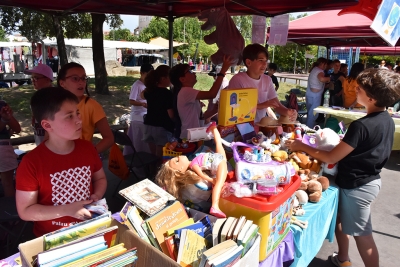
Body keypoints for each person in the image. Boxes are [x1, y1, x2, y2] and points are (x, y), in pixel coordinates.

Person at [286, 69, 400, 267]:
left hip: (358, 187)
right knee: (340, 218)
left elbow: (331, 156)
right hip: (366, 182)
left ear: (371, 98)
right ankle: (342, 258)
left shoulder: (361, 126)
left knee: (362, 235)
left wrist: (301, 146)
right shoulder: (387, 120)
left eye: (360, 89)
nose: (355, 89)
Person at [15, 87, 107, 237]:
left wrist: (96, 196)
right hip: (53, 237)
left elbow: (100, 178)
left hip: (89, 229)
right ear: (47, 125)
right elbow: (25, 211)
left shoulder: (88, 149)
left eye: (77, 112)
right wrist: (68, 210)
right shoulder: (31, 163)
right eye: (69, 116)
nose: (79, 120)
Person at [156, 123, 227, 218]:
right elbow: (201, 174)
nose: (179, 156)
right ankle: (215, 205)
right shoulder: (193, 166)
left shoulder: (193, 160)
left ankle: (213, 129)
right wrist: (211, 180)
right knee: (219, 183)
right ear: (181, 169)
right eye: (177, 161)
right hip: (218, 163)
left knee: (219, 144)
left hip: (217, 159)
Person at [227, 44, 297, 129]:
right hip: (240, 128)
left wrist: (289, 112)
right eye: (260, 60)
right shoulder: (238, 80)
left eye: (266, 61)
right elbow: (233, 108)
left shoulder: (267, 80)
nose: (265, 64)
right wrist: (262, 105)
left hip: (260, 126)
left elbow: (277, 105)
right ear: (249, 62)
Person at [169, 55, 233, 140]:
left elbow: (202, 118)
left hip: (195, 136)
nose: (194, 73)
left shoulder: (190, 93)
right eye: (190, 72)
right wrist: (222, 72)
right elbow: (212, 94)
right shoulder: (185, 91)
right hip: (188, 138)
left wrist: (214, 110)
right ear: (182, 79)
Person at [57, 62, 113, 154]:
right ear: (62, 83)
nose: (81, 82)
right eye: (75, 78)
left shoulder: (92, 106)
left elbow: (109, 138)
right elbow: (47, 138)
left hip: (82, 162)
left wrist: (89, 154)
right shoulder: (53, 105)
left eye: (83, 78)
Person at [141, 65, 173, 158]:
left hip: (148, 125)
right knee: (160, 157)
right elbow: (171, 114)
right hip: (161, 126)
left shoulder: (149, 91)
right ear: (163, 79)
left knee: (153, 156)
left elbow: (142, 95)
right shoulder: (167, 93)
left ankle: (151, 171)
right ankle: (157, 172)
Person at [125, 64, 154, 155]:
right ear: (141, 73)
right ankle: (141, 153)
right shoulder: (137, 85)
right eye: (147, 74)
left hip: (146, 112)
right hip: (138, 114)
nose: (149, 77)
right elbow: (131, 101)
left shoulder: (149, 84)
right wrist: (142, 104)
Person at [25, 64, 54, 145]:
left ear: (47, 79)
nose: (33, 81)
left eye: (36, 78)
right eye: (32, 78)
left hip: (51, 146)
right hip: (40, 140)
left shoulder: (54, 98)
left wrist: (43, 147)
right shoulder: (37, 97)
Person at [0, 100, 21, 197]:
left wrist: (7, 118)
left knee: (7, 183)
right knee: (7, 184)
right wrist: (4, 120)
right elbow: (17, 128)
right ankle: (10, 211)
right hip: (3, 147)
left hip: (3, 147)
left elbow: (17, 128)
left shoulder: (2, 105)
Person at [305, 57, 331, 128]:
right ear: (323, 64)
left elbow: (317, 83)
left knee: (310, 114)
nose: (326, 66)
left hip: (309, 94)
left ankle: (308, 128)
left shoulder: (314, 69)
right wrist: (330, 78)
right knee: (313, 114)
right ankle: (309, 130)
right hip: (315, 96)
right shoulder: (320, 71)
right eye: (326, 64)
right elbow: (322, 79)